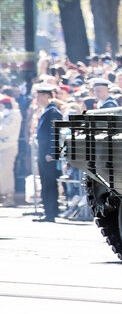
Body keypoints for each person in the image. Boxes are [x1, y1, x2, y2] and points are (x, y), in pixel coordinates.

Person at [33, 83, 63, 223]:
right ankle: (49, 211)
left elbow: (54, 134)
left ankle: (50, 212)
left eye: (39, 96)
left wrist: (51, 152)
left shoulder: (52, 112)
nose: (37, 99)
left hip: (48, 153)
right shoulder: (46, 111)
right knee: (45, 182)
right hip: (43, 151)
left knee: (49, 183)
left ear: (46, 96)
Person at [0, 95, 22, 206]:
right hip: (2, 147)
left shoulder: (14, 115)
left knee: (6, 172)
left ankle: (9, 196)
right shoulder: (3, 115)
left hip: (9, 147)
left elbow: (5, 130)